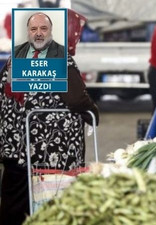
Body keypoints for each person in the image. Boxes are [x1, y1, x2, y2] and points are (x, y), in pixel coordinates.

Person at [0, 9, 99, 225]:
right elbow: (76, 99)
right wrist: (92, 113)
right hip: (50, 153)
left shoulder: (14, 58)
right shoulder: (61, 58)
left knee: (15, 203)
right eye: (34, 29)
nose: (38, 33)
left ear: (51, 30)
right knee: (51, 203)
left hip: (15, 149)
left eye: (43, 28)